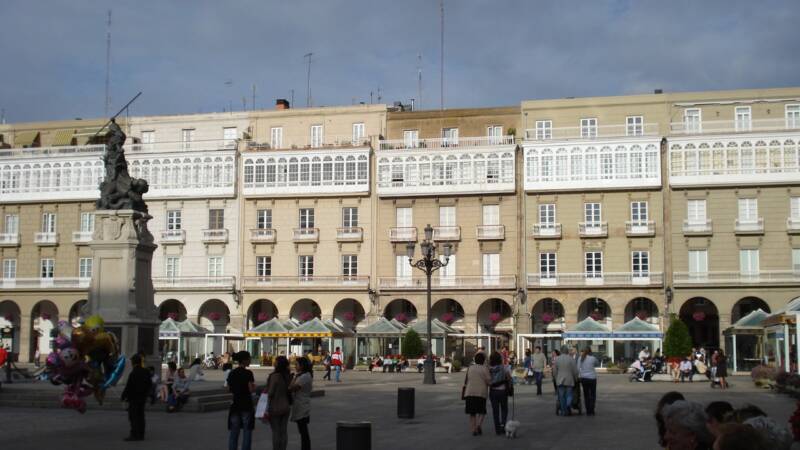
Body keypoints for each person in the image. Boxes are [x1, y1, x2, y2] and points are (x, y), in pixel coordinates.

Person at [227, 351, 255, 450]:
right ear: (244, 360)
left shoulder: (232, 373)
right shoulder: (248, 373)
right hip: (246, 404)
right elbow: (251, 389)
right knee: (247, 431)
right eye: (249, 358)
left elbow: (229, 388)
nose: (250, 360)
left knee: (234, 433)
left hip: (235, 404)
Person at [121, 354, 152, 441]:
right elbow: (149, 384)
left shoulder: (133, 373)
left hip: (134, 398)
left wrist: (123, 396)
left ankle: (134, 434)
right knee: (141, 416)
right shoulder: (146, 372)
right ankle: (141, 434)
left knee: (133, 416)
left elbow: (129, 386)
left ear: (133, 362)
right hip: (142, 397)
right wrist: (148, 394)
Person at [266, 355, 292, 450]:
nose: (274, 363)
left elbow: (271, 392)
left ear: (277, 364)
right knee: (284, 431)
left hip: (275, 407)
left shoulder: (275, 376)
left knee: (276, 431)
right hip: (286, 406)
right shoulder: (288, 376)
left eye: (275, 361)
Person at [463, 352, 491, 436]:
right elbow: (489, 381)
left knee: (472, 413)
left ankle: (473, 429)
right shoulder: (485, 368)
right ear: (483, 361)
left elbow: (466, 379)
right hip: (481, 393)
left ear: (475, 360)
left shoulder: (470, 368)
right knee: (482, 411)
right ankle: (479, 425)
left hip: (470, 392)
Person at [290, 356, 313, 450]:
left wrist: (294, 378)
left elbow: (292, 388)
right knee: (302, 430)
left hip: (302, 406)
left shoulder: (305, 376)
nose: (295, 366)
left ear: (302, 366)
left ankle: (306, 448)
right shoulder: (302, 375)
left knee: (303, 431)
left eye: (297, 364)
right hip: (300, 405)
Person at [488, 352, 511, 435]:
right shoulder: (504, 367)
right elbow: (509, 378)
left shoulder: (489, 369)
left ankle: (497, 429)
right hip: (502, 391)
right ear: (500, 359)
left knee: (495, 411)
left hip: (493, 391)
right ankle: (503, 425)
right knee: (504, 409)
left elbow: (487, 380)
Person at [553, 345, 578, 416]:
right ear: (567, 351)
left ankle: (564, 411)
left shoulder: (557, 359)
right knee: (569, 394)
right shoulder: (571, 359)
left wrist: (555, 378)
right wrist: (576, 378)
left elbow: (555, 371)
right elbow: (575, 371)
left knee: (561, 396)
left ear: (561, 351)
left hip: (560, 380)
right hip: (569, 379)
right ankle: (568, 404)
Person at [577, 347, 598, 416]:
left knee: (586, 395)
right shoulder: (593, 358)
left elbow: (577, 368)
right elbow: (597, 363)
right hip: (592, 378)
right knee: (592, 395)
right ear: (590, 352)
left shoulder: (580, 358)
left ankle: (588, 411)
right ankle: (592, 410)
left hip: (584, 378)